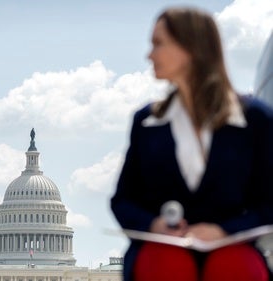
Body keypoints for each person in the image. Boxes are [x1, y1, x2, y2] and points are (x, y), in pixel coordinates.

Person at [110, 6, 273, 281]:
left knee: (233, 265)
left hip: (231, 248)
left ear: (190, 48)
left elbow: (269, 201)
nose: (149, 55)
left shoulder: (255, 119)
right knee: (168, 265)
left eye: (158, 43)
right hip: (164, 249)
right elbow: (123, 200)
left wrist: (224, 231)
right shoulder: (146, 122)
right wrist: (154, 224)